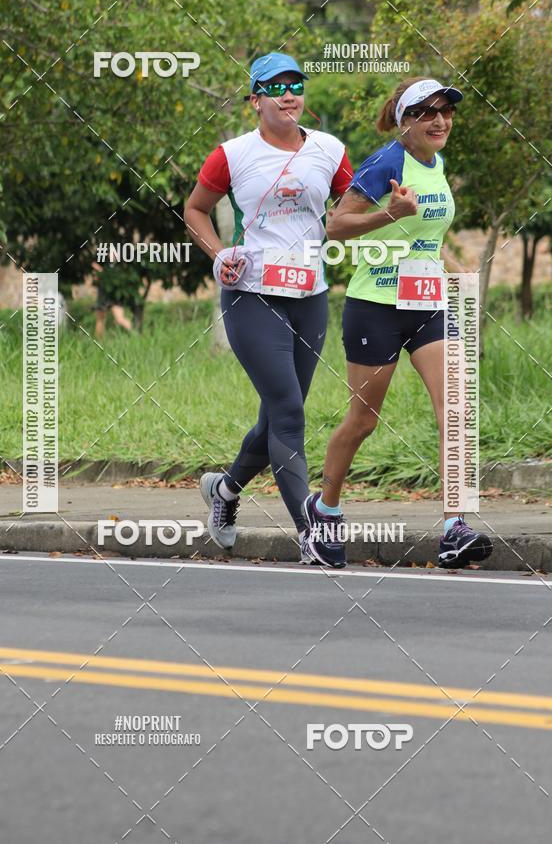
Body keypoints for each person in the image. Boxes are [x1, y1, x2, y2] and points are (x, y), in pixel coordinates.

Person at [303, 77, 493, 569]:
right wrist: (390, 214)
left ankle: (455, 527)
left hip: (427, 303)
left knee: (456, 409)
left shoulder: (439, 164)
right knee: (363, 420)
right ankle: (324, 511)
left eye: (446, 112)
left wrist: (456, 270)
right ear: (406, 121)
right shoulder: (388, 161)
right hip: (376, 306)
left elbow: (425, 235)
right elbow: (336, 226)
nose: (440, 121)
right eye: (428, 113)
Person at [184, 52, 353, 564]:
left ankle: (224, 490)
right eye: (275, 87)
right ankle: (312, 533)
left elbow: (349, 208)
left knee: (276, 416)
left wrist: (388, 211)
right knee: (289, 413)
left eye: (296, 85)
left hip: (311, 297)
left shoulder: (330, 149)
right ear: (255, 100)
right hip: (252, 297)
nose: (288, 94)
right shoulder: (231, 155)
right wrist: (220, 255)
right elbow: (194, 210)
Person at [92, 259, 133, 339]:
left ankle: (136, 335)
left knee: (120, 319)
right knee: (100, 320)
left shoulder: (120, 267)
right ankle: (98, 343)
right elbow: (95, 277)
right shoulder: (103, 264)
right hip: (103, 295)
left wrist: (102, 272)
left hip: (115, 297)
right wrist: (99, 271)